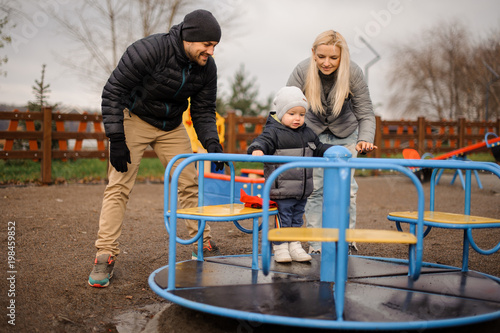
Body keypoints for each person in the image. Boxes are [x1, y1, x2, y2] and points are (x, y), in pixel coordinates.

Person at [89, 9, 225, 288]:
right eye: (207, 45)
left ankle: (201, 242)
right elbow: (113, 91)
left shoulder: (206, 68)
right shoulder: (148, 51)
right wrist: (116, 138)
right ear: (189, 38)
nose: (211, 52)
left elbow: (203, 110)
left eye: (215, 46)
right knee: (119, 185)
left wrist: (211, 142)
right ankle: (105, 254)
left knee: (188, 181)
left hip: (171, 126)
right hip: (135, 118)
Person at [286, 30, 377, 255]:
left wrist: (365, 139)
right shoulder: (302, 71)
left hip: (345, 133)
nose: (327, 63)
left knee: (347, 189)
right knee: (315, 189)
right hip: (312, 133)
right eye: (322, 57)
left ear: (342, 56)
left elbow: (365, 113)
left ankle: (346, 241)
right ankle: (317, 245)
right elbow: (285, 106)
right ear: (313, 54)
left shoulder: (353, 73)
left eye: (333, 58)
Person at [247, 86, 333, 263]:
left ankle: (294, 245)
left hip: (302, 189)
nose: (297, 118)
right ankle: (280, 247)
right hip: (282, 188)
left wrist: (332, 150)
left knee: (297, 218)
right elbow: (262, 141)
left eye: (301, 115)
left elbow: (318, 148)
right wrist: (257, 149)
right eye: (292, 113)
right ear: (281, 113)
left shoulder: (308, 133)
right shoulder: (274, 132)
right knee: (283, 217)